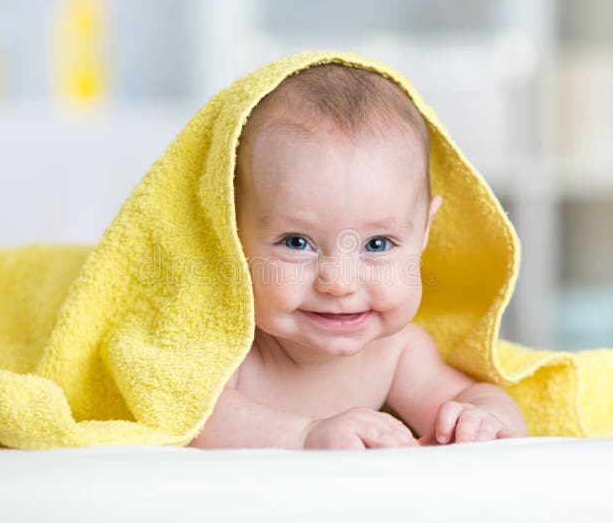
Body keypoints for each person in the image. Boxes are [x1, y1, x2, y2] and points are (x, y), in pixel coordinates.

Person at [188, 63, 527, 450]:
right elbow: (190, 419)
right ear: (233, 233)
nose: (339, 283)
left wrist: (483, 419)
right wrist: (304, 435)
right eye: (297, 242)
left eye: (377, 244)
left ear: (424, 233)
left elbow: (475, 397)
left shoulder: (396, 352)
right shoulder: (227, 348)